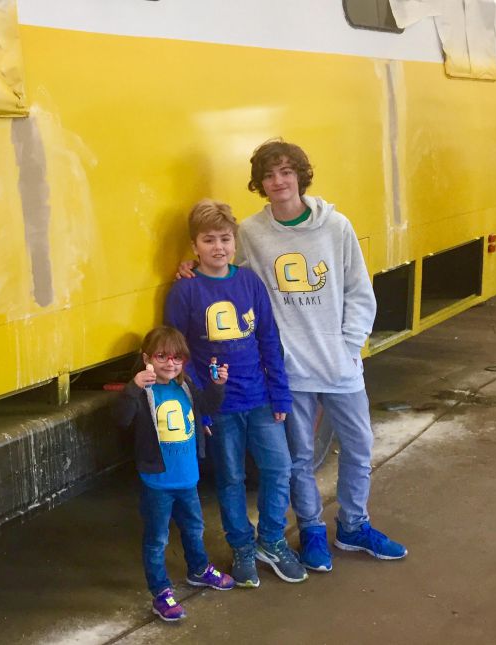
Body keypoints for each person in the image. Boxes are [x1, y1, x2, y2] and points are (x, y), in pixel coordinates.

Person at [183, 139, 406, 572]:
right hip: (291, 370)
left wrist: (349, 346)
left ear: (300, 176)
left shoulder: (336, 226)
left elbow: (359, 291)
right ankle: (312, 530)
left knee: (359, 446)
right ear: (260, 184)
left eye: (286, 172)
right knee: (299, 458)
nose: (278, 181)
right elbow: (224, 269)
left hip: (340, 364)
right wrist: (188, 266)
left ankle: (354, 525)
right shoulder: (249, 232)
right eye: (269, 175)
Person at [165, 199, 306, 588]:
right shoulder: (184, 293)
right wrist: (202, 409)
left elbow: (268, 339)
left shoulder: (249, 283)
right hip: (221, 407)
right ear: (195, 247)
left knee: (279, 468)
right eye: (208, 240)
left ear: (235, 242)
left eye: (225, 239)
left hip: (260, 399)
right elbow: (182, 357)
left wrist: (280, 395)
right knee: (230, 479)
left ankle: (272, 541)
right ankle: (242, 546)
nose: (218, 247)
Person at [112, 326, 235, 622]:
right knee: (157, 539)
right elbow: (121, 419)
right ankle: (161, 592)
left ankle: (198, 569)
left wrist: (218, 385)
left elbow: (206, 406)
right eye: (162, 356)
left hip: (187, 478)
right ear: (147, 358)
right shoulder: (144, 392)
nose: (170, 363)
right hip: (158, 482)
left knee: (194, 528)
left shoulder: (186, 385)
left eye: (177, 357)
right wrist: (133, 387)